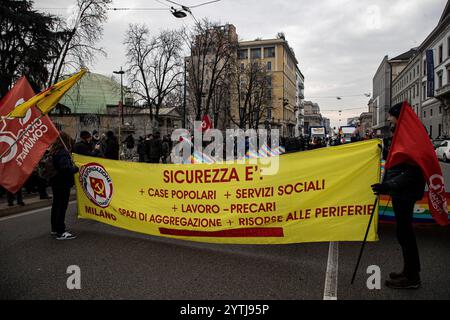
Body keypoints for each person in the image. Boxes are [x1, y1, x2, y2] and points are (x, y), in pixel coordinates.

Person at [371, 102, 425, 289]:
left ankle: (412, 278)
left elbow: (413, 171)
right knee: (403, 234)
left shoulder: (411, 136)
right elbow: (401, 161)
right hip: (401, 192)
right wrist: (384, 152)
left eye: (391, 116)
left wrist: (388, 185)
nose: (388, 119)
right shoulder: (405, 134)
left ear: (399, 117)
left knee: (405, 234)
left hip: (405, 192)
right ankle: (409, 271)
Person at [49, 132, 79, 240]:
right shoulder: (63, 153)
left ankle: (54, 228)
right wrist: (76, 168)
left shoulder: (54, 151)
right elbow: (66, 169)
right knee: (61, 207)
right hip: (62, 183)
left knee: (56, 205)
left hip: (55, 182)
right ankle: (61, 232)